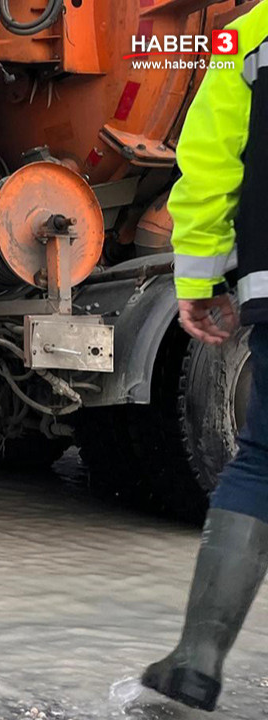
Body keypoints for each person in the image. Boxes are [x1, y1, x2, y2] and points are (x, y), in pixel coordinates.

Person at [139, 5, 268, 712]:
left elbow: (211, 162)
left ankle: (196, 662)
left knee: (261, 462)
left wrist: (196, 281)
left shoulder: (247, 34)